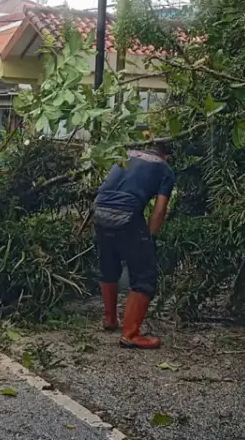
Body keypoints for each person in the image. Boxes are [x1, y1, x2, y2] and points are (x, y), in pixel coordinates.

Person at [92, 133, 175, 349]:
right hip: (127, 215)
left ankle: (110, 319)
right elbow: (159, 209)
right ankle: (131, 334)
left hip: (99, 211)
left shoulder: (126, 154)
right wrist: (150, 237)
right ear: (167, 155)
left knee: (108, 265)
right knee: (145, 276)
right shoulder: (164, 168)